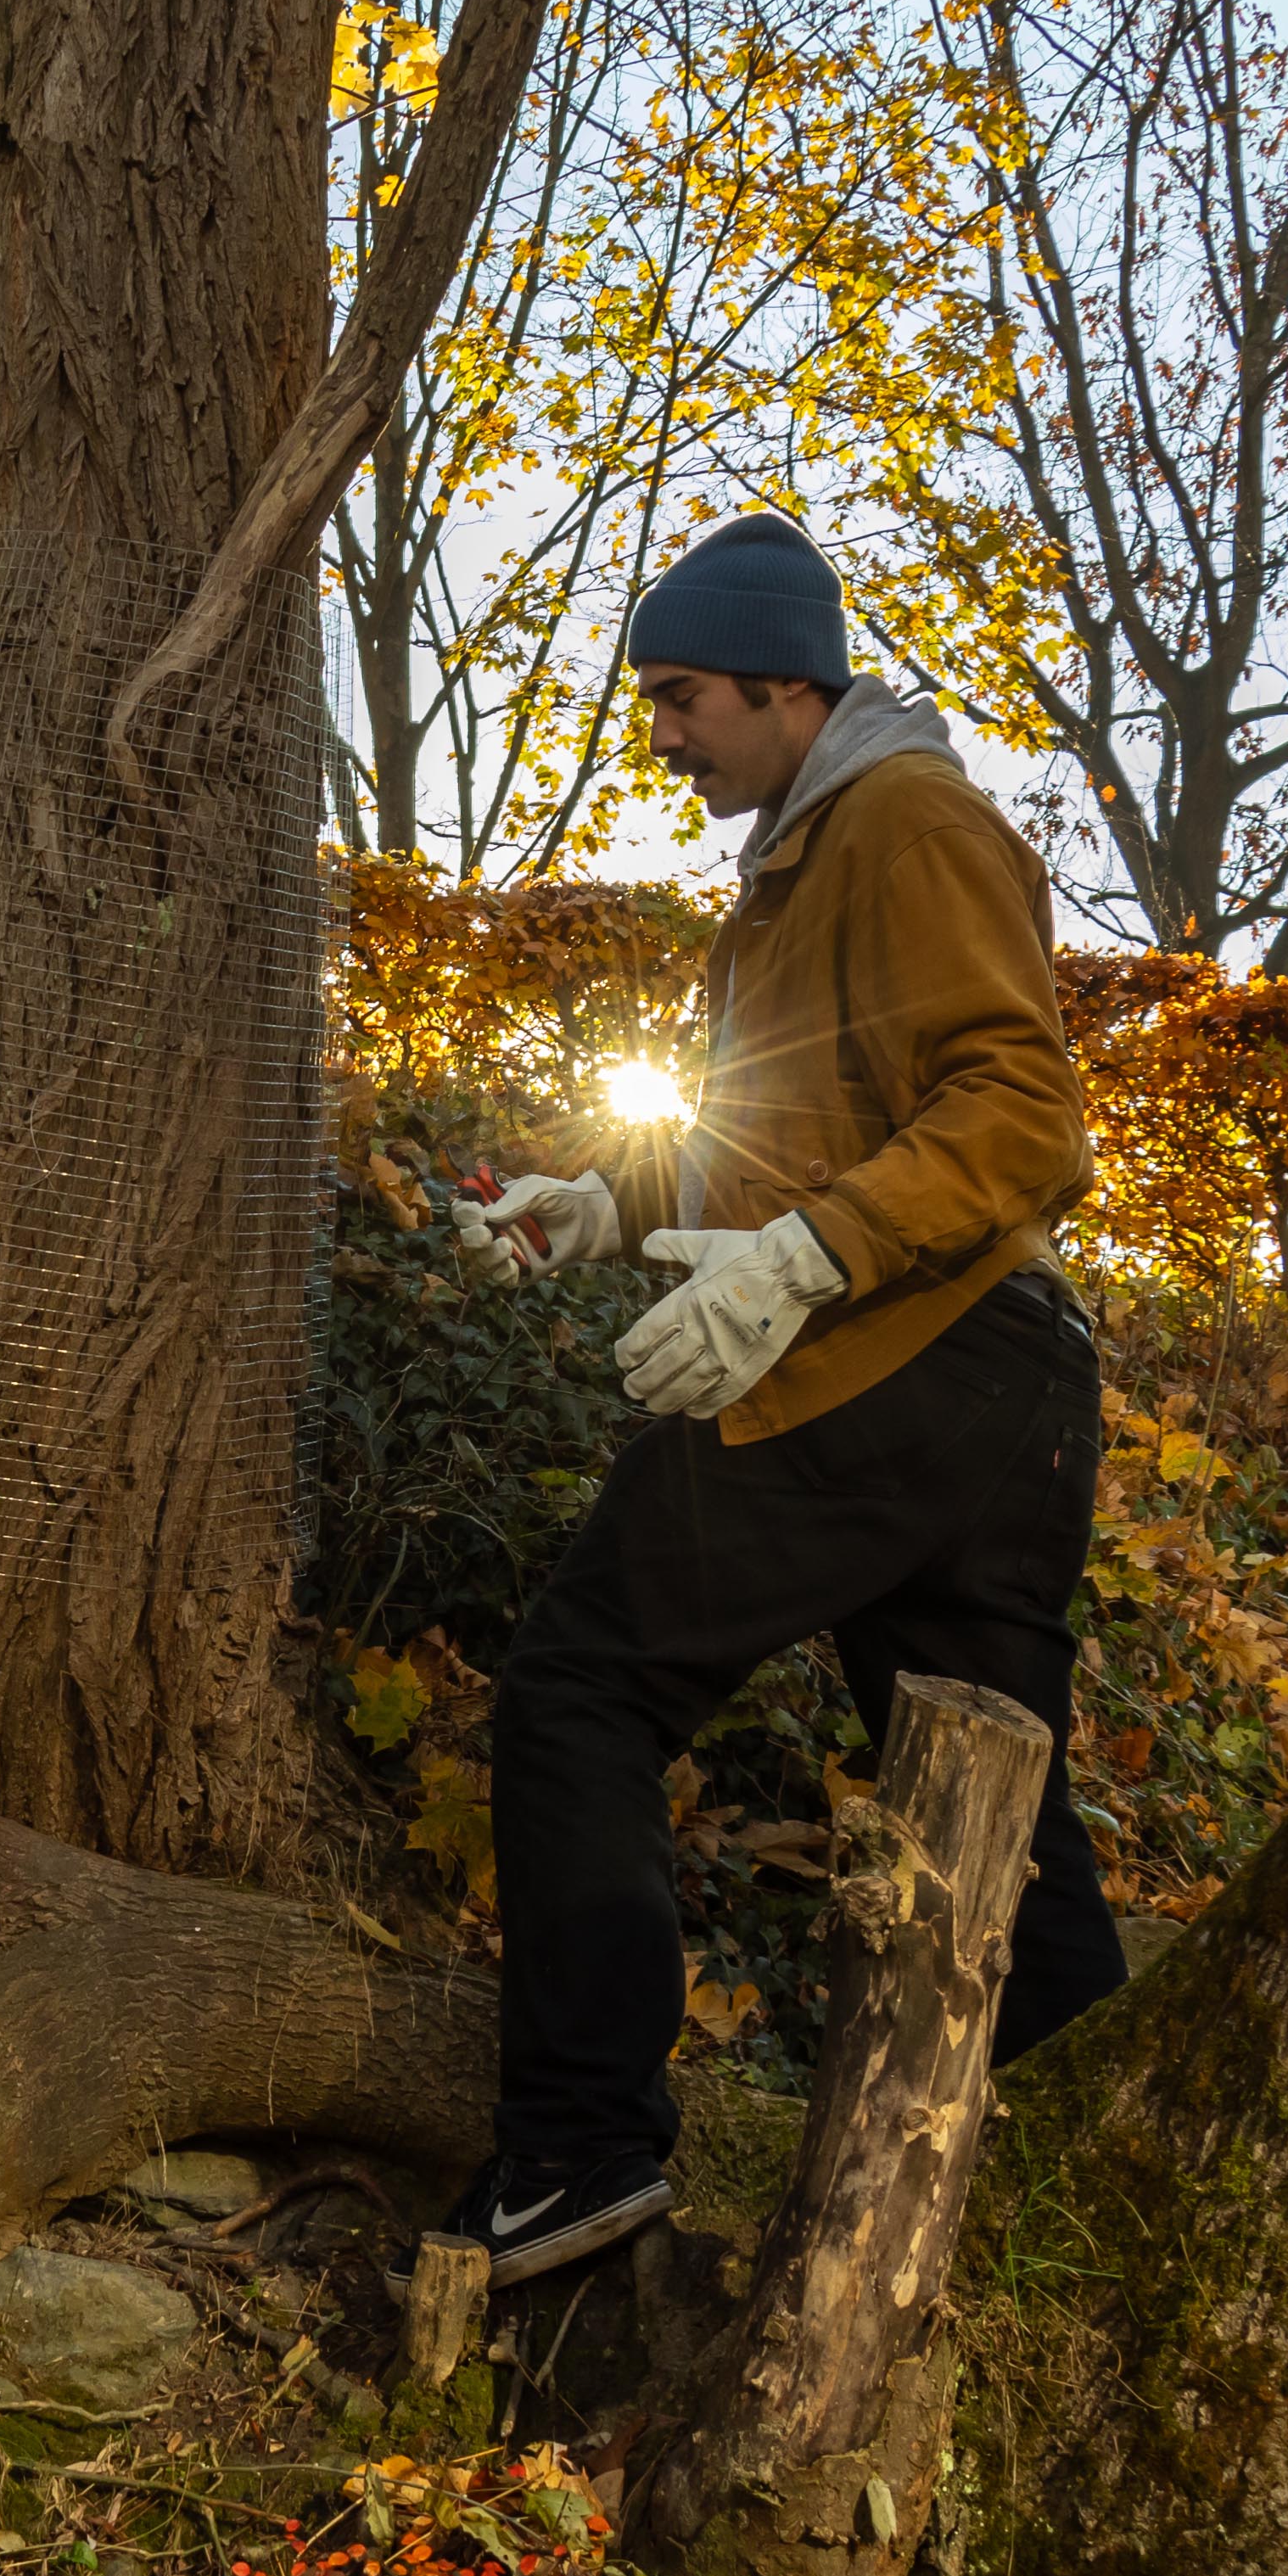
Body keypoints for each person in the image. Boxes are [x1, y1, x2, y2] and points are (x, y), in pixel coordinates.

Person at [436, 513, 1112, 2288]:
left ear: (783, 681)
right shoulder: (807, 858)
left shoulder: (904, 821)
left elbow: (1023, 1120)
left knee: (581, 1684)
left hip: (915, 1352)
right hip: (993, 1388)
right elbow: (798, 1139)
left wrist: (807, 1265)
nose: (661, 734)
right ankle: (1101, 2180)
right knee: (991, 1817)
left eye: (681, 699)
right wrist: (610, 1210)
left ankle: (577, 2149)